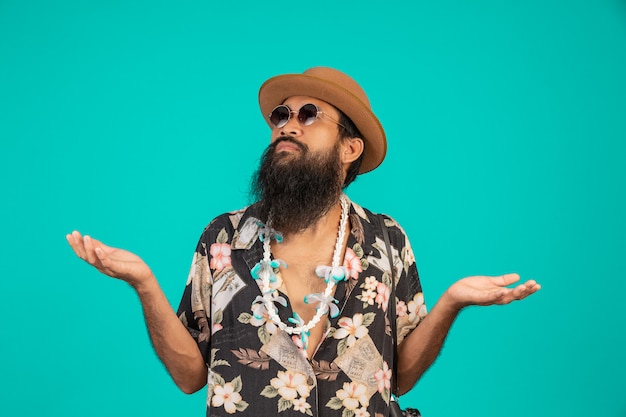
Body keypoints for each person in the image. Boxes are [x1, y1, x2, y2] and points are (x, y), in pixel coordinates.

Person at [66, 67, 540, 416]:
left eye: (310, 115)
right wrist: (144, 284)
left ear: (349, 149)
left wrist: (452, 302)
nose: (287, 125)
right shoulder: (223, 238)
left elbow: (401, 377)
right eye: (281, 115)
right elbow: (190, 376)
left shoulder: (387, 240)